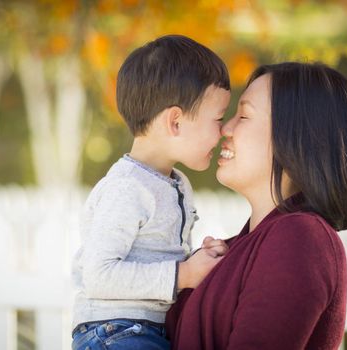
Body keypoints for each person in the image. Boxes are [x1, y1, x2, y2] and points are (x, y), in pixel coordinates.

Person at [165, 62, 347, 349]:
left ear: (297, 137)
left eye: (244, 115)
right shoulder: (243, 245)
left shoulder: (302, 238)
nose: (225, 128)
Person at [71, 35, 231, 350]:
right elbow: (98, 275)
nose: (225, 130)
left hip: (146, 331)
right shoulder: (128, 187)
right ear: (175, 122)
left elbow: (154, 256)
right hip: (114, 332)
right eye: (219, 119)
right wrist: (182, 274)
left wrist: (197, 260)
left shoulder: (175, 181)